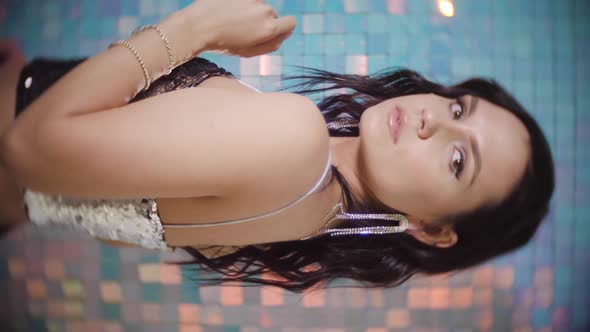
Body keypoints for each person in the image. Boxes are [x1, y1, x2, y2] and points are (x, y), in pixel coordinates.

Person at [0, 0, 554, 293]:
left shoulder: (295, 142)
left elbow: (27, 149)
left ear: (433, 230)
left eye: (459, 161)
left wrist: (197, 25)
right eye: (458, 108)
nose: (436, 120)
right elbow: (113, 212)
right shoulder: (304, 218)